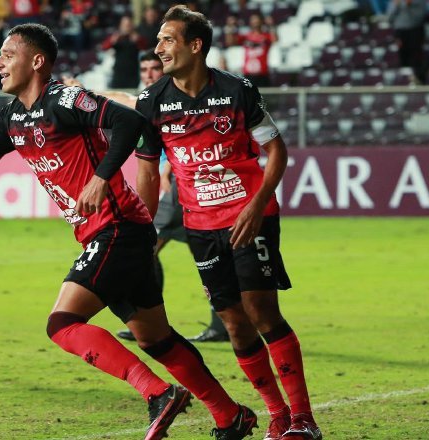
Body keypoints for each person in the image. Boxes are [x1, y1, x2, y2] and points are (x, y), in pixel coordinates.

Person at [0, 23, 257, 440]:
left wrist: (100, 179)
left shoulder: (65, 99)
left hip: (118, 228)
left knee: (62, 323)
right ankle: (229, 415)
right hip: (113, 232)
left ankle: (158, 393)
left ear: (36, 61)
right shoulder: (12, 116)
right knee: (156, 338)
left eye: (7, 54)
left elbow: (129, 123)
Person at [135, 6, 322, 440]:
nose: (158, 48)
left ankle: (304, 418)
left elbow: (277, 151)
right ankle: (276, 415)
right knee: (233, 321)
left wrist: (258, 204)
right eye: (158, 40)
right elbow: (146, 170)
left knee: (261, 311)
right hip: (200, 225)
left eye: (167, 40)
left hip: (248, 217)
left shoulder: (237, 90)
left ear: (195, 45)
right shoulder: (152, 102)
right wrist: (146, 227)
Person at [72, 51, 229, 343]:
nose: (149, 73)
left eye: (155, 67)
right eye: (144, 68)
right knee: (204, 253)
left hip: (179, 190)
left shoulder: (173, 99)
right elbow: (125, 98)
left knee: (143, 247)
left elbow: (176, 134)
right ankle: (220, 322)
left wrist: (85, 94)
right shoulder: (153, 98)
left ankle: (147, 319)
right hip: (179, 191)